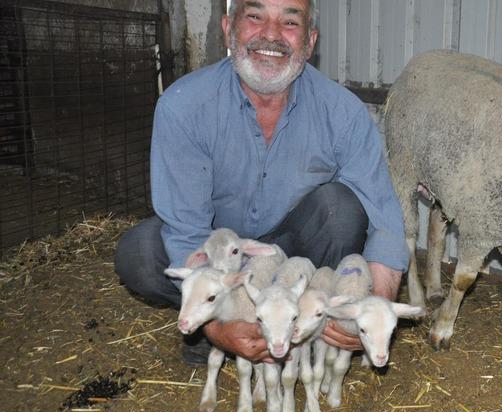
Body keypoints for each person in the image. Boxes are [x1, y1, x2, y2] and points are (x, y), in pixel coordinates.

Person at [114, 0, 409, 367]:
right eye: (255, 17)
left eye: (289, 21)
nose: (271, 34)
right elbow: (187, 231)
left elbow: (385, 221)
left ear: (310, 41)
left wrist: (372, 309)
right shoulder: (184, 106)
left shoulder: (343, 113)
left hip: (294, 249)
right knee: (140, 254)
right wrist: (216, 327)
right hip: (219, 250)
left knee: (341, 209)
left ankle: (305, 320)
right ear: (228, 28)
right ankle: (211, 323)